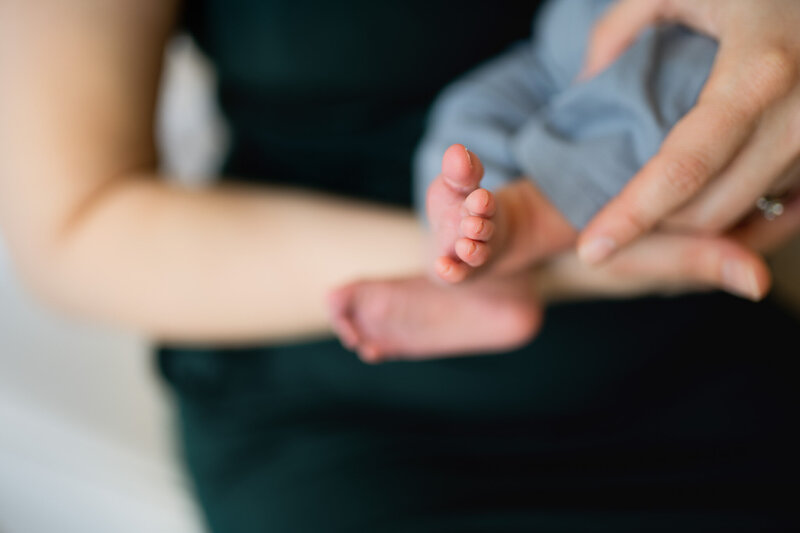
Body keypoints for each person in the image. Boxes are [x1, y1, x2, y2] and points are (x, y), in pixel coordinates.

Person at [2, 1, 800, 532]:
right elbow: (76, 226)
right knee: (469, 145)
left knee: (653, 76)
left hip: (690, 337)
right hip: (357, 404)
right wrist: (532, 264)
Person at [328, 0, 796, 361]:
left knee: (661, 90)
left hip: (697, 31)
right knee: (468, 112)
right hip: (565, 45)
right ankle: (475, 270)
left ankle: (532, 215)